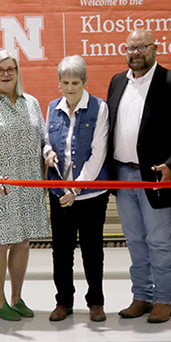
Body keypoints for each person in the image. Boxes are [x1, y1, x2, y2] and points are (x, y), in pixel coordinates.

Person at [106, 29, 171, 324]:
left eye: (141, 47)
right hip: (122, 174)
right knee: (134, 240)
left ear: (154, 48)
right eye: (130, 48)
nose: (135, 52)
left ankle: (163, 299)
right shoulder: (117, 82)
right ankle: (142, 295)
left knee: (158, 240)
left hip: (155, 177)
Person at [0, 50, 49, 321]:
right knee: (0, 243)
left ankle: (17, 297)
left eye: (10, 69)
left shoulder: (32, 104)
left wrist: (48, 154)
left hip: (28, 183)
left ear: (17, 72)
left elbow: (43, 140)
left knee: (23, 242)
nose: (5, 74)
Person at [43, 55, 110, 323]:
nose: (70, 87)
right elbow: (46, 138)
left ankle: (95, 301)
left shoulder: (99, 108)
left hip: (90, 195)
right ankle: (64, 301)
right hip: (59, 194)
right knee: (61, 250)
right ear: (59, 83)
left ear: (84, 82)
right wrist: (47, 152)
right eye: (65, 82)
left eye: (75, 82)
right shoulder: (52, 107)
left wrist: (77, 189)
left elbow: (98, 153)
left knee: (92, 249)